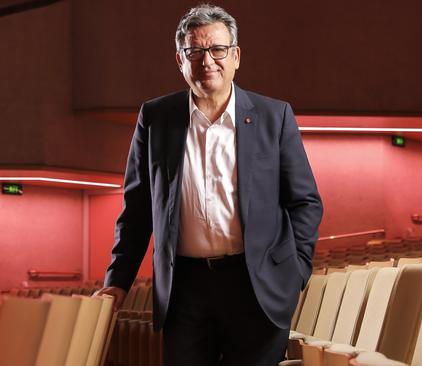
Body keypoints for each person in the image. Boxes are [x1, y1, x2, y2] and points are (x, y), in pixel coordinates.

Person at [95, 4, 323, 365]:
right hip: (185, 288)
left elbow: (305, 202)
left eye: (217, 49)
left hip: (256, 286)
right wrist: (118, 280)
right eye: (195, 51)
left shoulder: (273, 116)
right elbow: (137, 210)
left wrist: (295, 270)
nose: (207, 61)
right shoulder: (156, 118)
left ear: (235, 56)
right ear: (180, 60)